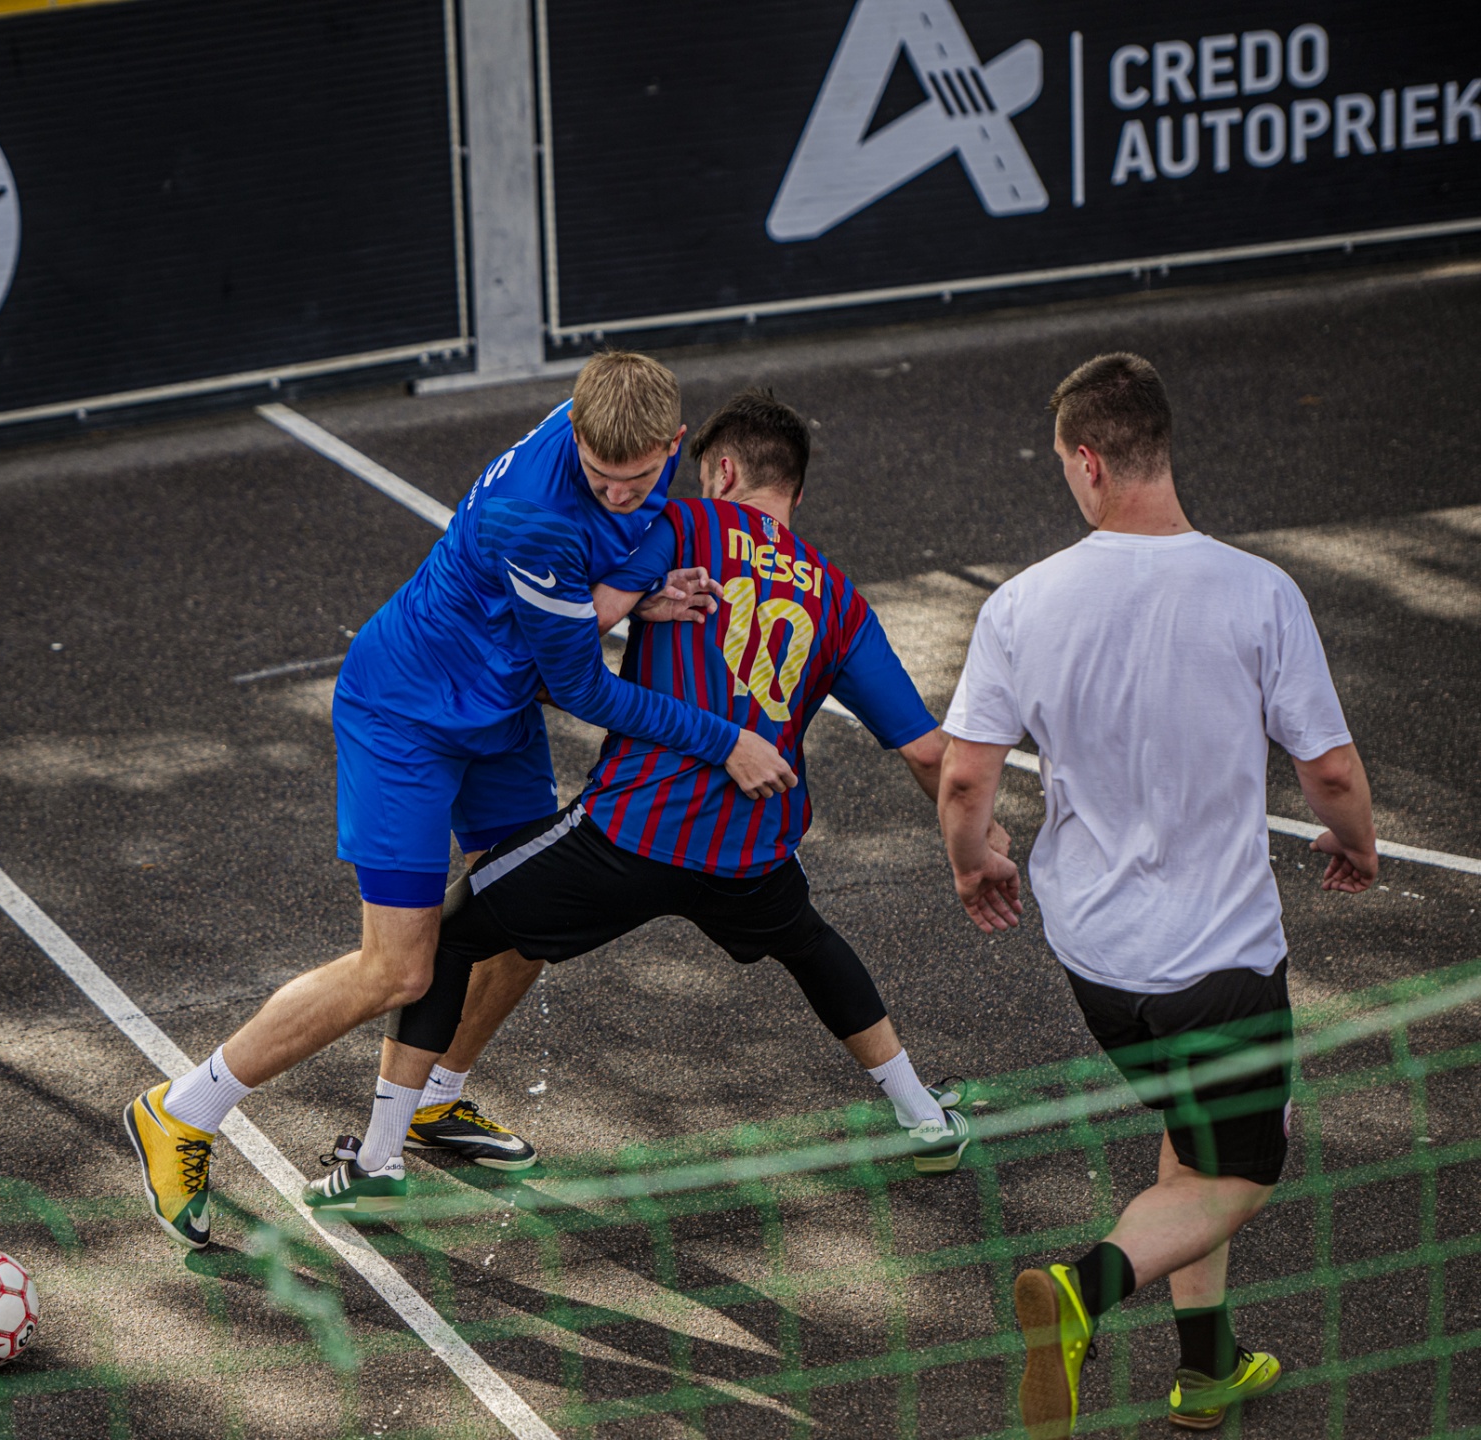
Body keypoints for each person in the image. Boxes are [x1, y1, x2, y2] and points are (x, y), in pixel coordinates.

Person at [125, 351, 798, 1249]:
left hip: (498, 706)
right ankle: (182, 1111)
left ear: (674, 443)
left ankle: (435, 1099)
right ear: (575, 430)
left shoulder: (610, 438)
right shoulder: (534, 514)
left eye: (637, 481)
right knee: (398, 969)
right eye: (600, 476)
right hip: (406, 714)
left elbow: (599, 582)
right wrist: (723, 738)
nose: (618, 495)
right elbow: (582, 690)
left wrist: (630, 595)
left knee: (530, 915)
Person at [305, 388, 1010, 1212]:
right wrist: (978, 846)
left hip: (631, 834)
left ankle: (381, 1154)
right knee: (813, 948)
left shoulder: (681, 526)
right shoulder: (840, 598)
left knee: (448, 939)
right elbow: (927, 752)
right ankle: (923, 1118)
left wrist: (624, 609)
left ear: (722, 470)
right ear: (795, 489)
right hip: (749, 848)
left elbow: (573, 645)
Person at [936, 353, 1378, 1437]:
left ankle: (1206, 1369)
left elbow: (965, 780)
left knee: (1193, 1139)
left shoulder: (1021, 604)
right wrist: (1356, 842)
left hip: (1098, 962)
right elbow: (1329, 771)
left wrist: (973, 862)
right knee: (1247, 1170)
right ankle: (1082, 1289)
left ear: (1089, 462)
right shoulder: (1257, 592)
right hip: (1220, 960)